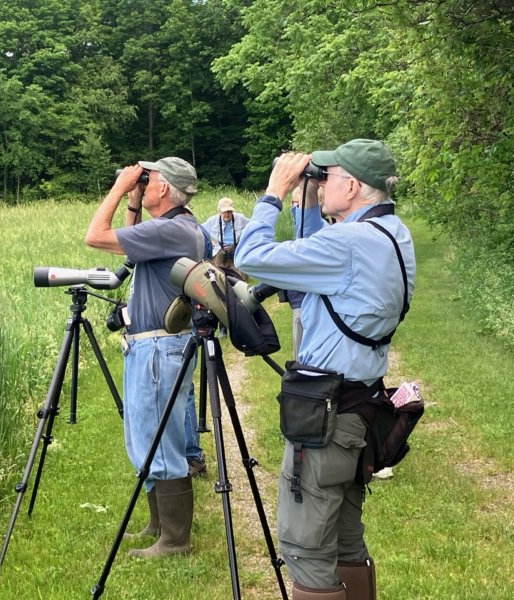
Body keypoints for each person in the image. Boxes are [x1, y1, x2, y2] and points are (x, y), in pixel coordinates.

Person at [235, 139, 416, 600]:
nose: (320, 182)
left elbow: (250, 258)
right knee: (344, 537)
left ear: (352, 185)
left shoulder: (348, 243)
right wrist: (312, 197)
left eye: (327, 177)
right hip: (360, 410)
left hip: (327, 416)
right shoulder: (393, 233)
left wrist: (274, 193)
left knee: (307, 545)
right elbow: (316, 248)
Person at [86, 156, 206, 558]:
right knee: (147, 437)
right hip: (153, 345)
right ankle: (159, 525)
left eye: (148, 179)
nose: (143, 181)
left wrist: (120, 186)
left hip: (159, 347)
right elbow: (135, 254)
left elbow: (95, 235)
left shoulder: (173, 229)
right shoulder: (175, 228)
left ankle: (175, 539)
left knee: (160, 439)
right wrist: (135, 203)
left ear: (165, 189)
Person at [202, 196, 250, 279]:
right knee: (215, 271)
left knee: (242, 271)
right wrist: (210, 242)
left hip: (236, 249)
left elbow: (253, 226)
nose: (227, 215)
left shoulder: (240, 218)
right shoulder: (212, 221)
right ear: (219, 211)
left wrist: (245, 242)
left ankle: (242, 284)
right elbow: (200, 230)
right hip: (220, 250)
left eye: (229, 212)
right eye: (224, 212)